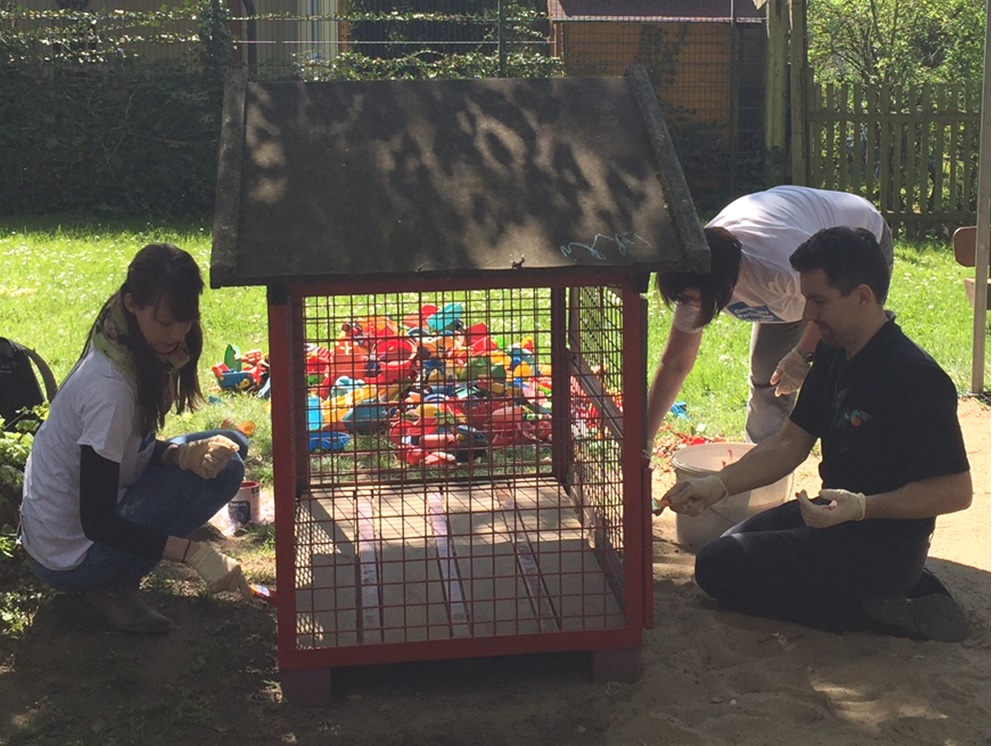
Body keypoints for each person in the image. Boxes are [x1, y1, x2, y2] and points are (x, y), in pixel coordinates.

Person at [661, 226, 972, 642]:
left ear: (862, 297)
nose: (808, 314)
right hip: (830, 515)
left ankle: (874, 605)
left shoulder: (915, 377)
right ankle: (890, 593)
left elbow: (956, 492)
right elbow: (791, 442)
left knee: (719, 568)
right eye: (807, 299)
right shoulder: (834, 351)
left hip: (881, 544)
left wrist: (862, 507)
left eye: (819, 300)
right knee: (726, 547)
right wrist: (718, 484)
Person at [19, 243, 252, 635]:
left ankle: (131, 559)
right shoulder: (109, 390)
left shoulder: (124, 344)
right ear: (131, 303)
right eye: (166, 322)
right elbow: (97, 522)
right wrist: (192, 553)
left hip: (81, 521)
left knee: (229, 446)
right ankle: (111, 586)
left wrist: (181, 456)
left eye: (186, 321)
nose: (178, 335)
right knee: (228, 472)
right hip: (71, 557)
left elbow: (127, 450)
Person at [647, 185, 893, 445]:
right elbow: (675, 364)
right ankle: (762, 457)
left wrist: (802, 355)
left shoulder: (780, 267)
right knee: (769, 373)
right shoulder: (694, 271)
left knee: (845, 365)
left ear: (726, 286)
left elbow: (830, 306)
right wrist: (644, 441)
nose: (692, 306)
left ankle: (863, 448)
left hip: (859, 244)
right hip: (793, 271)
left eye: (697, 300)